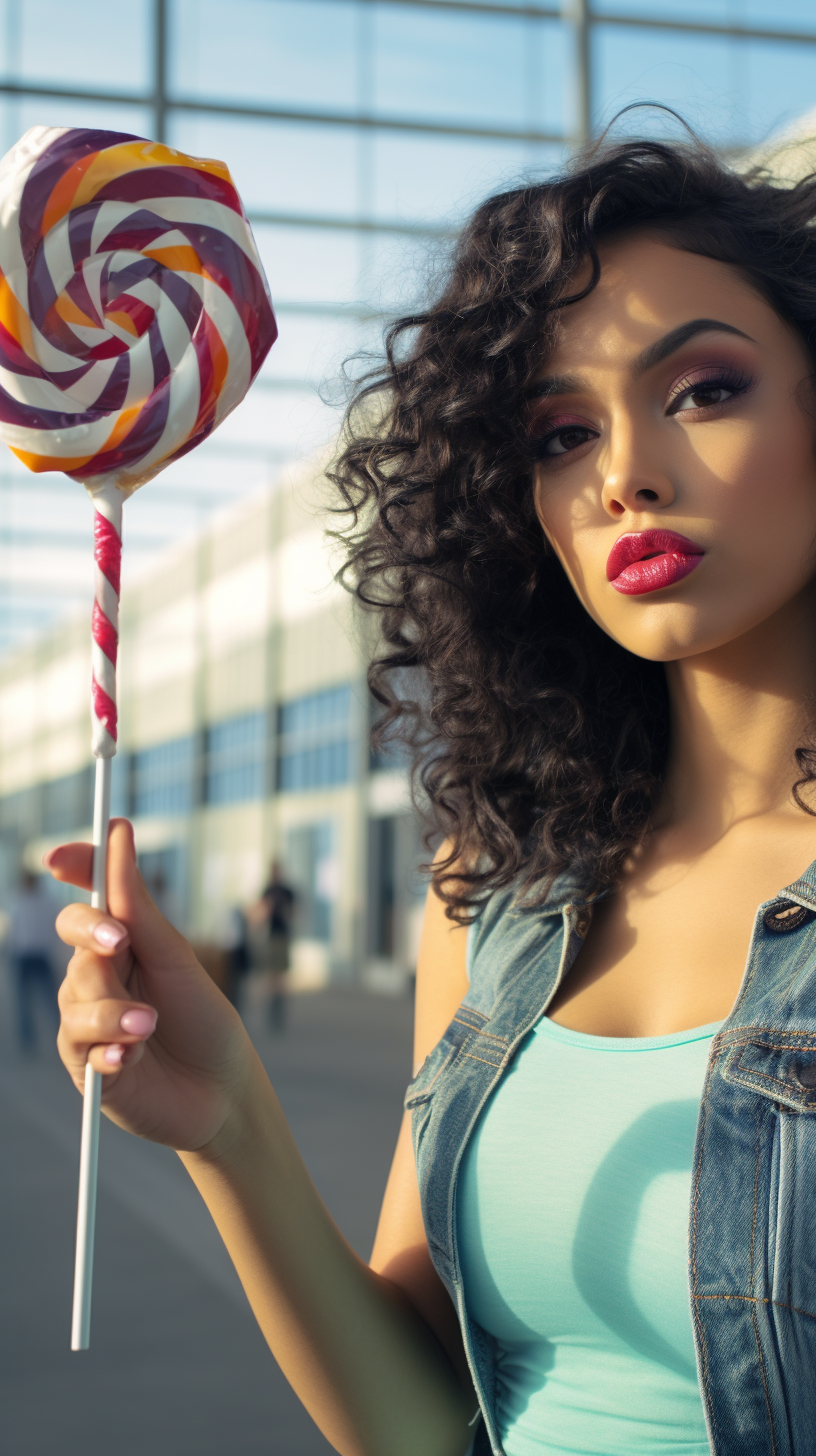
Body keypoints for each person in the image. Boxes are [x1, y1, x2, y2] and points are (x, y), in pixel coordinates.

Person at [45, 130, 816, 1453]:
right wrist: (229, 1121)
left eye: (701, 390)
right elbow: (417, 1421)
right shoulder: (503, 887)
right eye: (564, 433)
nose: (622, 472)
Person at [7, 869, 59, 1055]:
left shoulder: (47, 901)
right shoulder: (18, 900)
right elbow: (13, 928)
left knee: (50, 999)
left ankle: (61, 1036)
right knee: (23, 1001)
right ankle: (27, 1042)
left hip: (41, 954)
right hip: (22, 955)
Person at [254, 861, 295, 1032]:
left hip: (283, 936)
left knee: (281, 976)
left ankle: (279, 1012)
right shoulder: (268, 890)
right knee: (271, 975)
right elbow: (261, 912)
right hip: (271, 936)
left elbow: (294, 912)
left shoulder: (287, 891)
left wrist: (286, 914)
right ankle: (272, 1012)